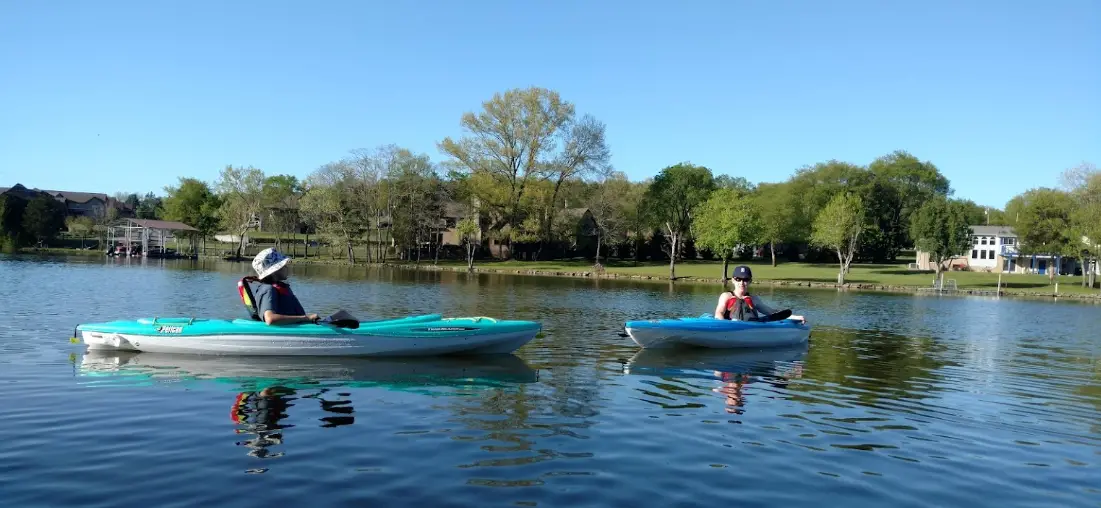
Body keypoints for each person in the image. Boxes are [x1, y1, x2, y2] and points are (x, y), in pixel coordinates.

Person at [249, 248, 321, 325]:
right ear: (274, 271)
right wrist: (307, 318)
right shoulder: (268, 289)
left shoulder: (275, 288)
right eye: (283, 265)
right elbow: (270, 319)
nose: (286, 267)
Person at [713, 265, 806, 324]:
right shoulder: (726, 296)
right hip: (729, 327)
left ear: (750, 281)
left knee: (767, 319)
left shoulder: (754, 299)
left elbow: (772, 312)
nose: (741, 283)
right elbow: (719, 313)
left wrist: (794, 317)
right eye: (738, 279)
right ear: (733, 280)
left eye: (745, 280)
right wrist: (724, 325)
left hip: (750, 329)